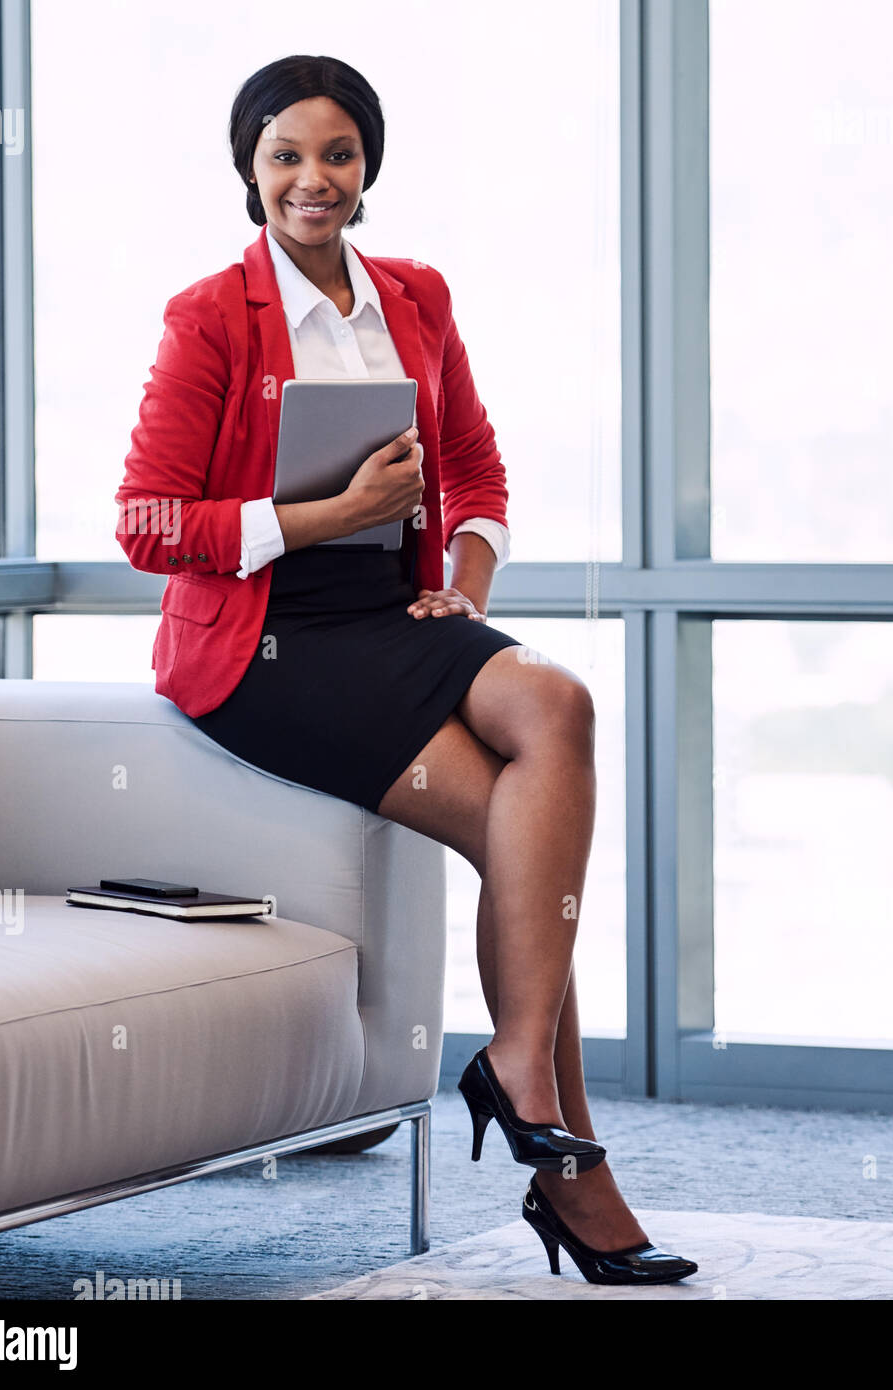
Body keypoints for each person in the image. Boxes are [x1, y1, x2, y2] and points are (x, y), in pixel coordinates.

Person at [114, 53, 695, 1287]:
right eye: (285, 156)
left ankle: (519, 1061)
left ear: (367, 166)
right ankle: (574, 1178)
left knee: (558, 699)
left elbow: (475, 466)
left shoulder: (416, 298)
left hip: (400, 609)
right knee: (519, 846)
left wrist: (464, 584)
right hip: (265, 640)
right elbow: (149, 523)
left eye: (335, 153)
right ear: (249, 172)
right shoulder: (210, 314)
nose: (311, 179)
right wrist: (325, 514)